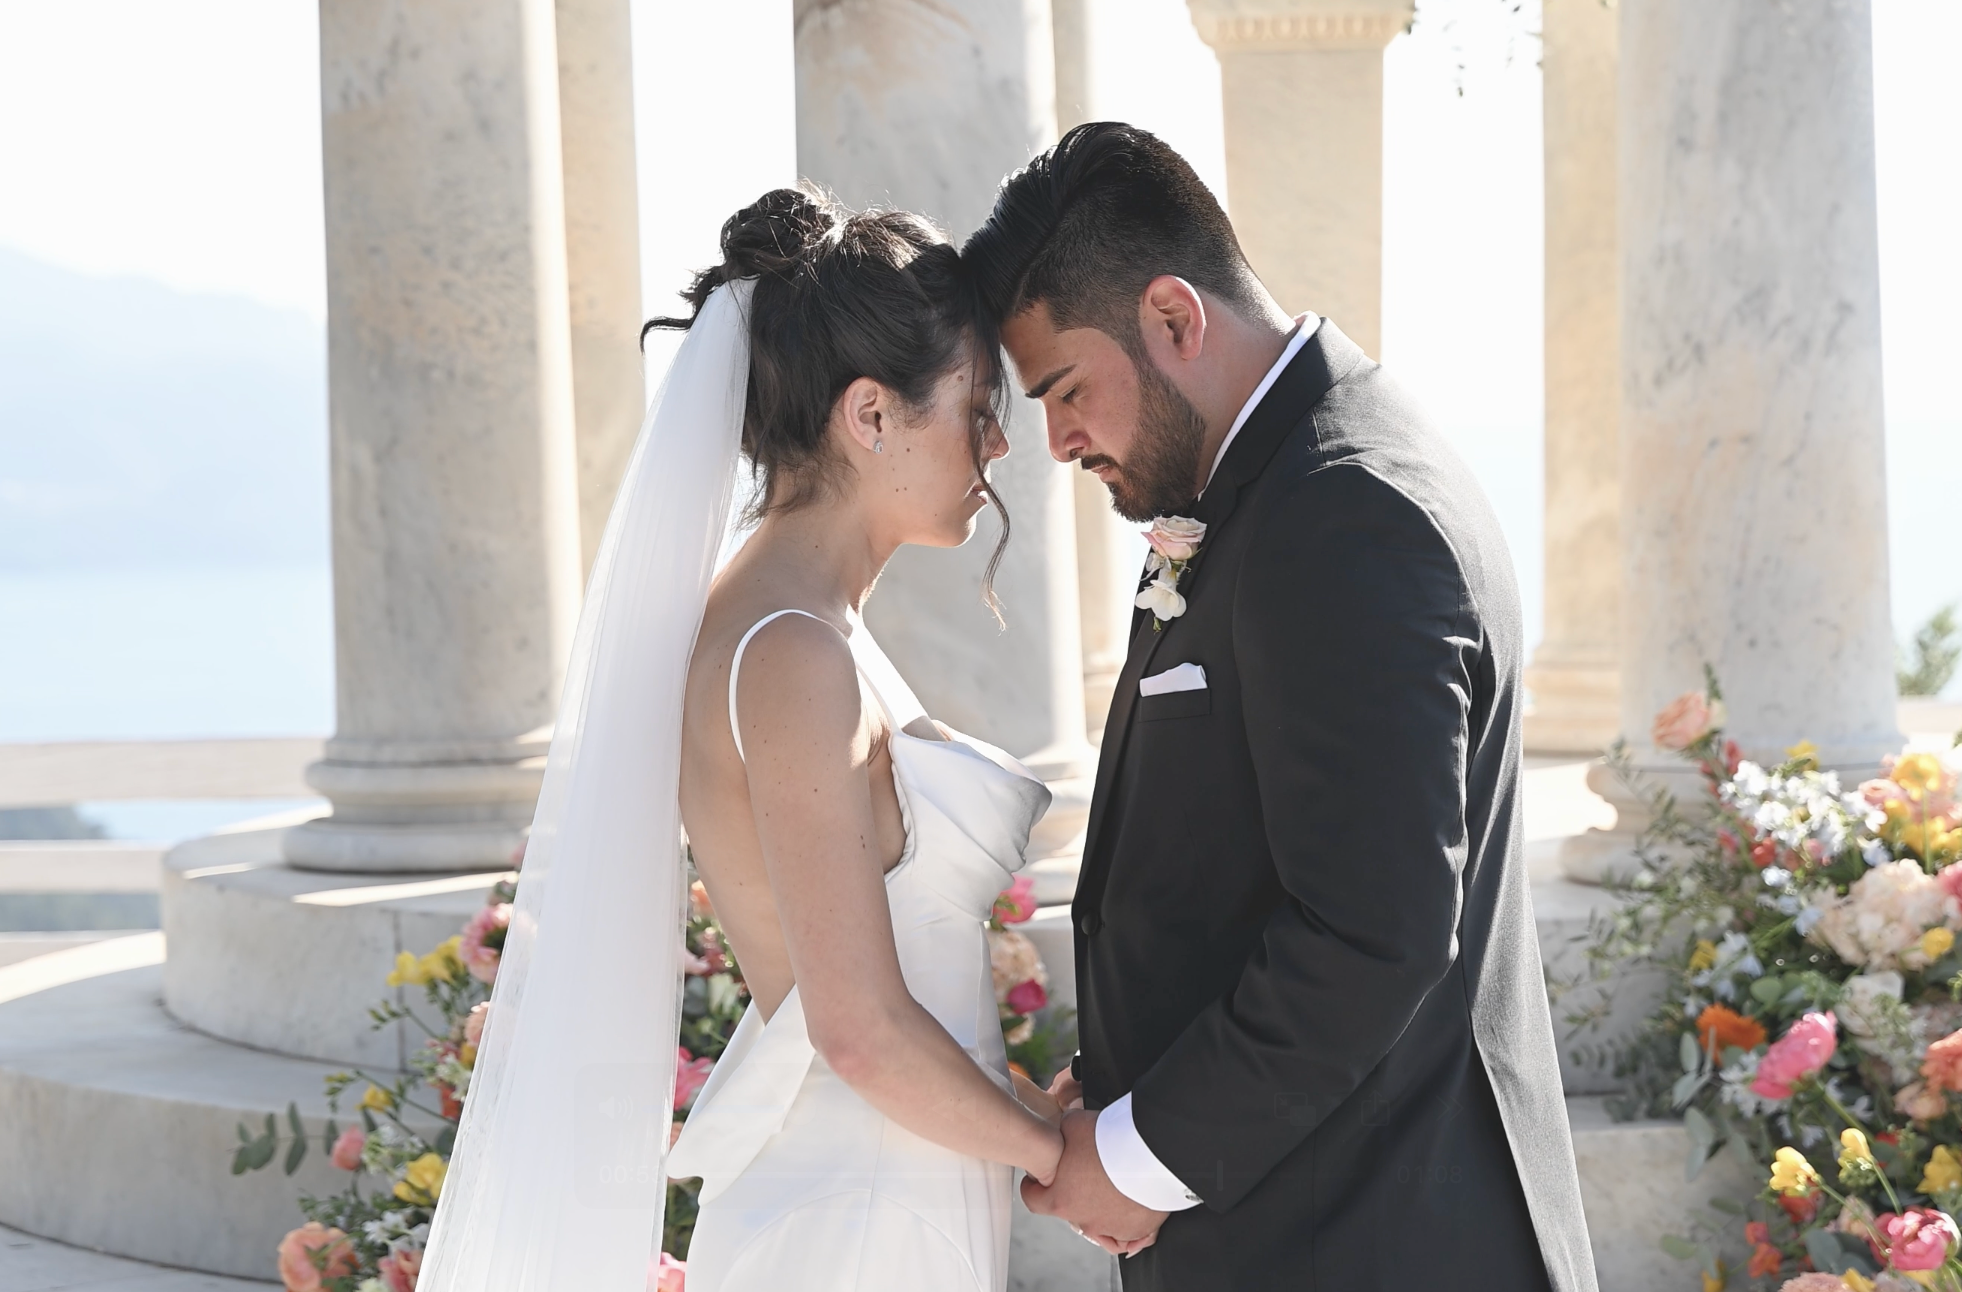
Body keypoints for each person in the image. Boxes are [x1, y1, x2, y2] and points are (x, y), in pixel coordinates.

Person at [961, 122, 1601, 1291]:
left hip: (1373, 1240)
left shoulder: (1346, 510)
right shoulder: (1273, 489)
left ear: (1171, 316)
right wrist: (1120, 1092)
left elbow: (1374, 928)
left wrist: (1144, 1156)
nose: (1055, 440)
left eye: (1065, 389)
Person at [418, 188, 1065, 1292]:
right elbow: (857, 1027)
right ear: (870, 414)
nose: (1000, 441)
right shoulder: (790, 655)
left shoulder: (798, 624)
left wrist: (1025, 1113)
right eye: (976, 404)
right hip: (866, 1211)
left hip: (889, 1178)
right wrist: (1067, 1158)